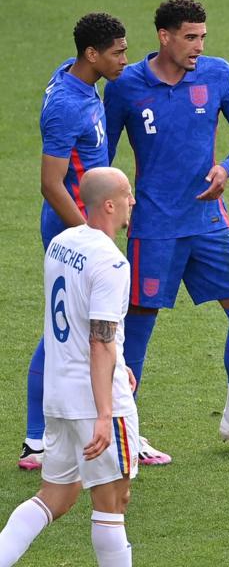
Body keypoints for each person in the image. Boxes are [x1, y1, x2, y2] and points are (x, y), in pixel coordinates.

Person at [103, 0, 229, 462]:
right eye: (190, 37)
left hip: (208, 223)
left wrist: (227, 167)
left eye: (202, 36)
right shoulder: (125, 86)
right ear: (163, 36)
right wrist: (111, 209)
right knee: (136, 330)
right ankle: (129, 431)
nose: (199, 46)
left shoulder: (218, 74)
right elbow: (101, 156)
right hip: (155, 228)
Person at [0, 167, 138, 567]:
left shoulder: (60, 244)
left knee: (55, 497)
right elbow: (99, 339)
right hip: (94, 397)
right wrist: (105, 411)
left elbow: (79, 321)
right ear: (109, 204)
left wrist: (120, 362)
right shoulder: (112, 263)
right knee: (113, 503)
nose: (132, 200)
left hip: (57, 395)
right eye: (127, 194)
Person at [19, 12, 129, 471]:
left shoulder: (78, 76)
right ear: (92, 54)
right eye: (117, 52)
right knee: (64, 329)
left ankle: (51, 431)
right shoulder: (66, 102)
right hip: (73, 223)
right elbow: (51, 182)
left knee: (76, 326)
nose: (124, 59)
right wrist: (86, 233)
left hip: (87, 220)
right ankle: (36, 438)